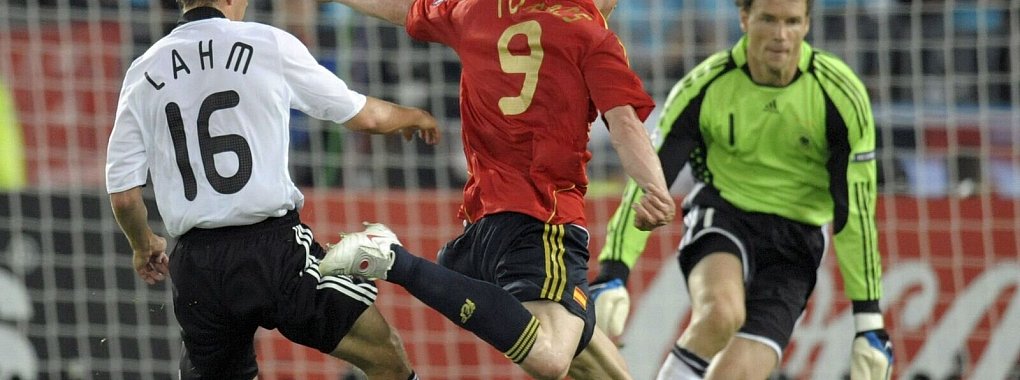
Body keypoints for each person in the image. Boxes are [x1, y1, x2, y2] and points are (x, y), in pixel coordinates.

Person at [315, 0, 676, 378]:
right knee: (552, 358)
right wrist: (656, 189)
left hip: (483, 231)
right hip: (543, 223)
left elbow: (401, 8)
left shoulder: (478, 9)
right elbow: (625, 124)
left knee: (601, 369)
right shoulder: (592, 36)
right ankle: (393, 258)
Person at [105, 0, 440, 378]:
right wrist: (413, 115)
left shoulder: (143, 70)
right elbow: (365, 116)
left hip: (197, 266)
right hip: (273, 252)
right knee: (385, 354)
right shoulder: (266, 44)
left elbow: (124, 195)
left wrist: (143, 244)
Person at [590, 0, 894, 379]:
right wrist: (613, 271)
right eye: (768, 19)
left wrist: (869, 319)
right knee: (721, 313)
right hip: (724, 214)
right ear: (745, 18)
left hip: (797, 241)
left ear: (807, 24)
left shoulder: (841, 96)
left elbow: (855, 213)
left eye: (792, 22)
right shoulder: (706, 86)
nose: (780, 35)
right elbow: (650, 181)